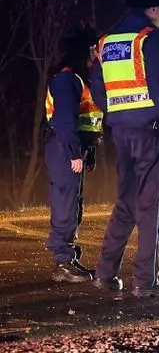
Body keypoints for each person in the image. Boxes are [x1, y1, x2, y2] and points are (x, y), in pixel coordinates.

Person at [90, 0, 159, 298]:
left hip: (120, 132)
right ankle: (146, 282)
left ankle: (105, 273)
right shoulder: (150, 38)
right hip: (150, 133)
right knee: (151, 207)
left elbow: (98, 90)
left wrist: (119, 115)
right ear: (153, 9)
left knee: (126, 203)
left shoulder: (105, 42)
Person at [43, 27, 104, 282]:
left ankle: (68, 258)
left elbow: (87, 119)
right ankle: (63, 262)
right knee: (66, 205)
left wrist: (87, 152)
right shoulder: (67, 79)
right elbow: (65, 120)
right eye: (96, 50)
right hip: (64, 148)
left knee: (72, 205)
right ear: (87, 50)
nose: (98, 55)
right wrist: (73, 153)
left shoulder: (79, 79)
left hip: (73, 148)